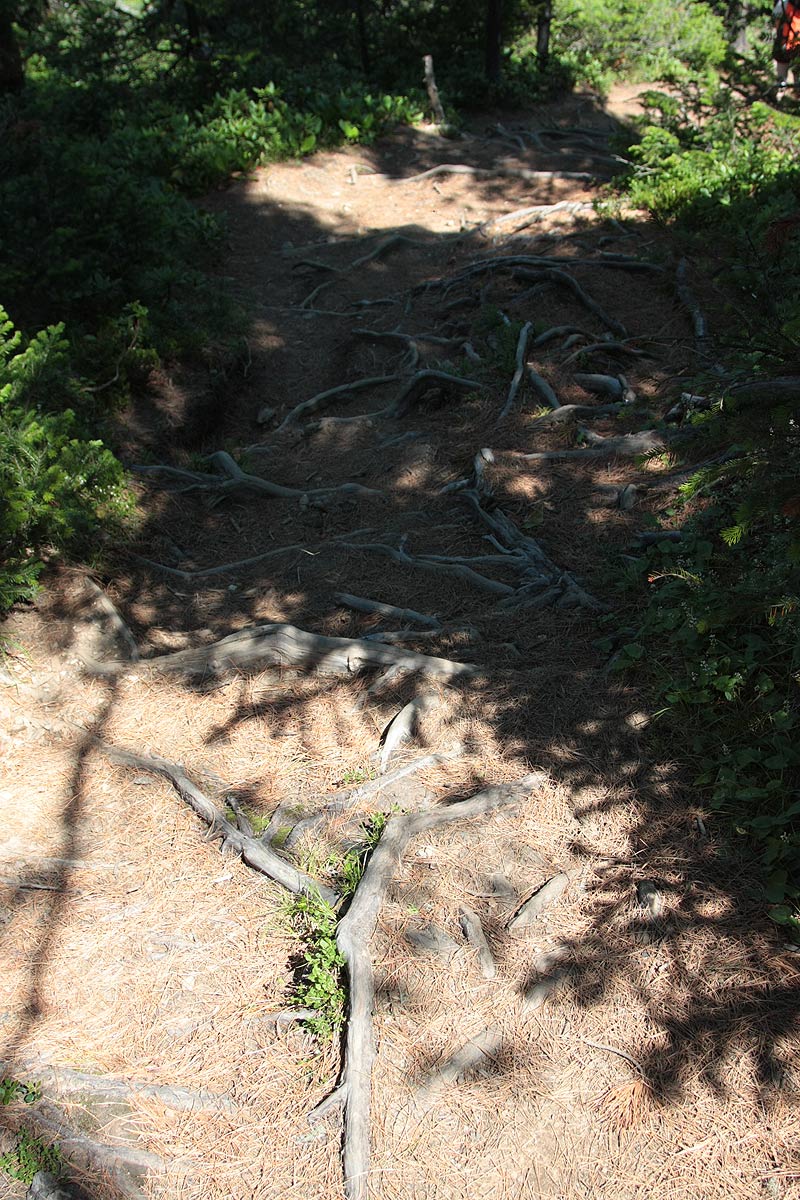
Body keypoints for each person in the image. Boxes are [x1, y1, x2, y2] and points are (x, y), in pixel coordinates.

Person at [773, 0, 800, 100]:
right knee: (797, 68)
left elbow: (776, 17)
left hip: (785, 39)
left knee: (782, 64)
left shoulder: (785, 2)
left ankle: (780, 92)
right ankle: (797, 94)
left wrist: (779, 34)